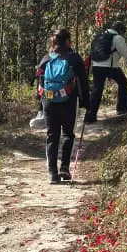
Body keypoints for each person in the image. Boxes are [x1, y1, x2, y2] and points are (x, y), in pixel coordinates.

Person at [36, 28, 89, 184]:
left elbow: (39, 86)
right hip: (68, 101)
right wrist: (86, 103)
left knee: (52, 135)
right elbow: (83, 83)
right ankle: (64, 167)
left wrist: (40, 107)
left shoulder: (45, 59)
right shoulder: (74, 59)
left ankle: (52, 174)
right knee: (67, 134)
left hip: (48, 102)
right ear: (67, 41)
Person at [84, 21, 127, 124]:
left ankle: (89, 117)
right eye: (123, 31)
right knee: (122, 81)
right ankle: (122, 108)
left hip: (96, 66)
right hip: (110, 66)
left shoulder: (100, 36)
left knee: (97, 90)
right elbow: (126, 54)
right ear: (120, 30)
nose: (124, 33)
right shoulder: (118, 38)